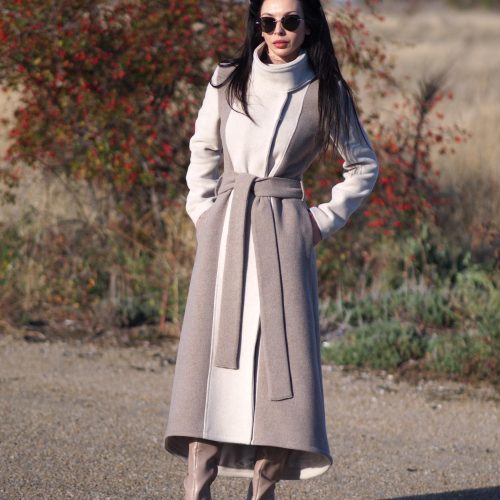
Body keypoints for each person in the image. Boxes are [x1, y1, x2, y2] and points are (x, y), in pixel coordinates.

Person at [163, 0, 379, 498]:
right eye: (268, 21)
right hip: (226, 228)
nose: (278, 30)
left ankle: (263, 492)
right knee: (212, 362)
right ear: (256, 26)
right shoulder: (227, 79)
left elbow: (363, 165)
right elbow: (203, 148)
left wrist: (319, 221)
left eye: (290, 21)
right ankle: (196, 488)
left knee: (281, 364)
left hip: (283, 234)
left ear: (308, 26)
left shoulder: (325, 90)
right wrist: (203, 213)